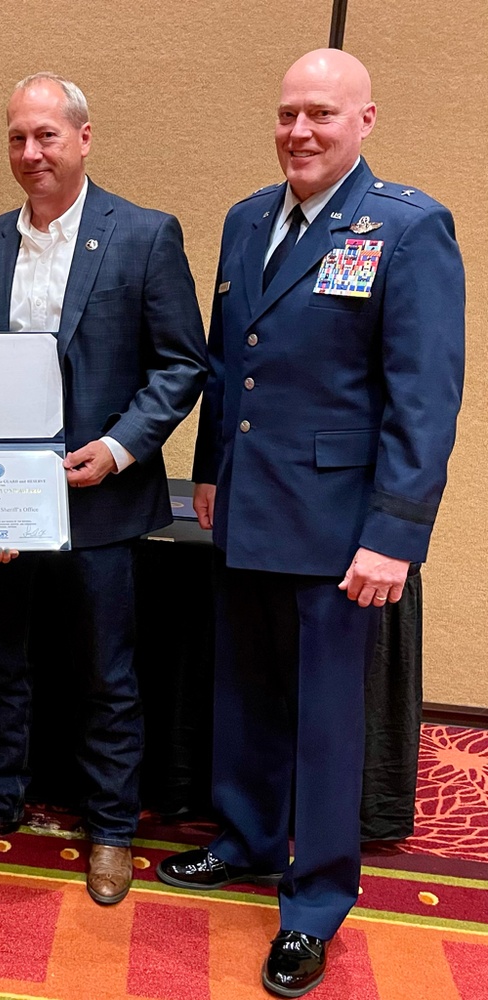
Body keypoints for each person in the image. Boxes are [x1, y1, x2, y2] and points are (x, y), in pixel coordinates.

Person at [156, 49, 464, 997]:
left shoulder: (409, 230)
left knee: (328, 723)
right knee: (243, 691)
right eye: (288, 113)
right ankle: (246, 838)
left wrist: (396, 535)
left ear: (365, 120)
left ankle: (317, 902)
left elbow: (424, 400)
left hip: (340, 528)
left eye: (321, 114)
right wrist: (209, 471)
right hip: (248, 504)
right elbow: (226, 365)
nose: (300, 131)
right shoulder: (248, 220)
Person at [0, 73, 207, 905]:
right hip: (3, 503)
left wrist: (118, 450)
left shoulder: (145, 236)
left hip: (104, 500)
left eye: (46, 135)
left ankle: (111, 827)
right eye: (17, 137)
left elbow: (181, 363)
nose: (31, 152)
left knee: (106, 676)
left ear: (84, 138)